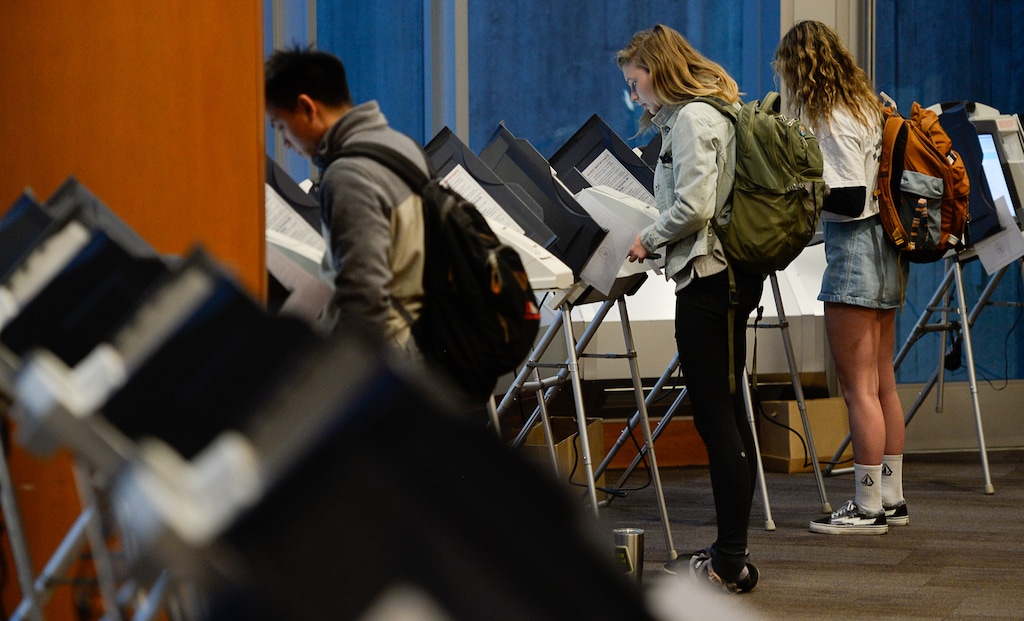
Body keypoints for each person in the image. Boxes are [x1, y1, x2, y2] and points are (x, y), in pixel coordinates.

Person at [617, 24, 763, 593]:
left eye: (636, 83)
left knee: (718, 419)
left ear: (659, 71)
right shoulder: (701, 113)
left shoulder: (694, 118)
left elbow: (695, 205)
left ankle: (729, 559)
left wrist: (648, 238)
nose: (634, 96)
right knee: (725, 415)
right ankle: (730, 553)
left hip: (712, 280)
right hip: (718, 278)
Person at [774, 21, 909, 535]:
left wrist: (795, 191)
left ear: (799, 69)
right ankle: (891, 497)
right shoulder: (867, 105)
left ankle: (867, 507)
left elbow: (849, 198)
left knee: (858, 391)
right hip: (887, 249)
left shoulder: (829, 116)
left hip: (855, 254)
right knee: (882, 384)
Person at [264, 46, 429, 356]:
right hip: (422, 341)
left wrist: (337, 371)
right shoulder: (401, 146)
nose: (284, 142)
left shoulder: (348, 175)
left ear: (307, 108)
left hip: (387, 354)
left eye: (281, 126)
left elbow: (364, 298)